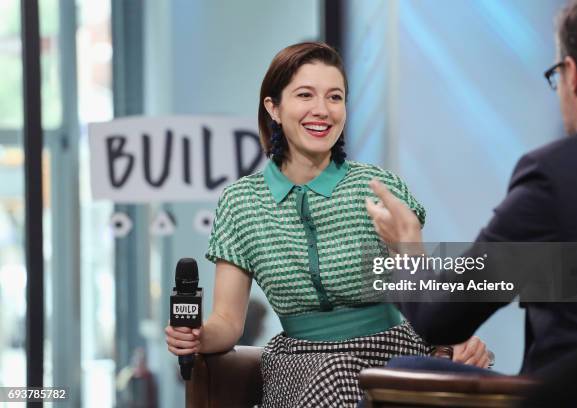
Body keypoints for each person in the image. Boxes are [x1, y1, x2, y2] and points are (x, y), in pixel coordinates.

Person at [166, 42, 491, 407]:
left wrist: (453, 337)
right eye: (305, 95)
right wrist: (196, 338)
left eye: (335, 97)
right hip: (301, 363)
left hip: (392, 352)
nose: (322, 110)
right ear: (273, 108)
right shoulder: (241, 203)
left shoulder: (378, 188)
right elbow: (227, 320)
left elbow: (421, 293)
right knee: (333, 373)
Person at [366, 0, 577, 378]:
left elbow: (440, 318)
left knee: (404, 371)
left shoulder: (554, 175)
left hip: (575, 393)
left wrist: (407, 247)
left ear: (574, 75)